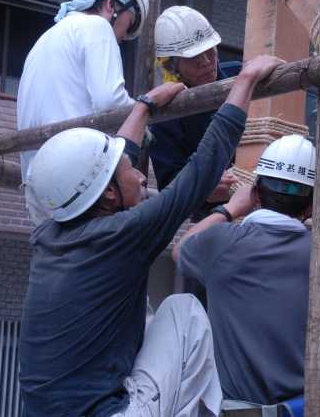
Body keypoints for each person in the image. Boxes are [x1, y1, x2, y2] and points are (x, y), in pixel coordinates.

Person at [18, 54, 283, 417]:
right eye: (131, 170)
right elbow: (200, 172)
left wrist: (143, 107)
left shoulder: (50, 235)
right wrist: (245, 81)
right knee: (184, 311)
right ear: (109, 195)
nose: (142, 176)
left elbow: (107, 169)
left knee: (143, 312)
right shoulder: (120, 235)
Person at [173, 134, 316, 415]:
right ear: (311, 204)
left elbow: (181, 249)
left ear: (256, 193)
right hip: (304, 409)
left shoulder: (223, 244)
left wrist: (230, 208)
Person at [17, 0, 149, 225]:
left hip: (40, 184)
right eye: (128, 25)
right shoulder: (97, 26)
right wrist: (143, 113)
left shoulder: (47, 37)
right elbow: (110, 102)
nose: (122, 38)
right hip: (78, 181)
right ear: (111, 5)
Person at [151, 5, 242, 192]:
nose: (206, 62)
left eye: (209, 51)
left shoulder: (240, 75)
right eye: (194, 57)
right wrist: (204, 188)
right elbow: (169, 182)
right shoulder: (166, 117)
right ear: (172, 66)